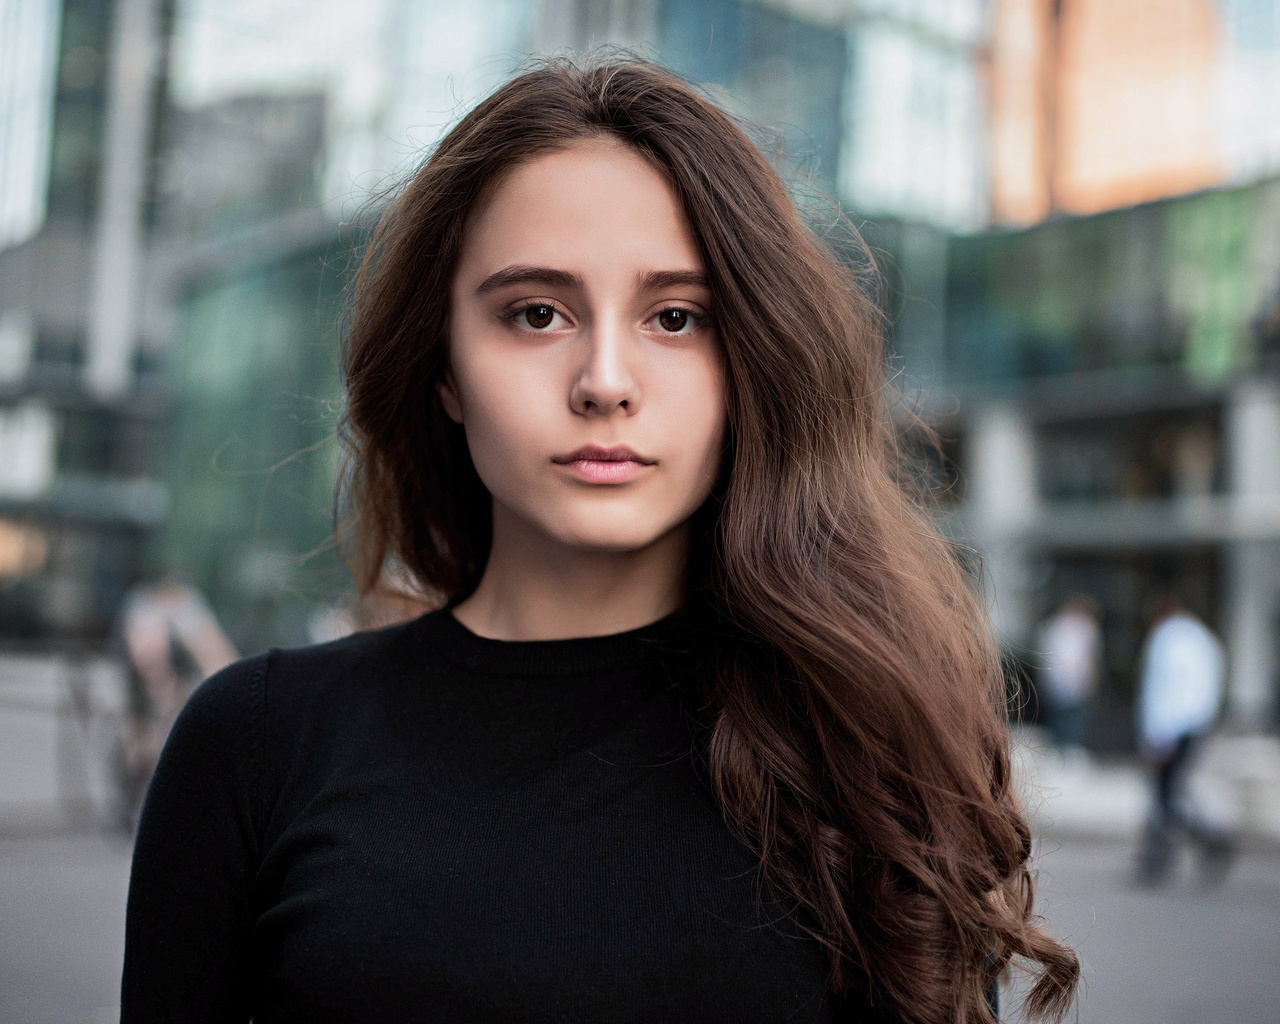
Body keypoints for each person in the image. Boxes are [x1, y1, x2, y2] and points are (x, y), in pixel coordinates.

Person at [120, 57, 1078, 1023]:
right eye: (536, 314)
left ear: (749, 359)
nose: (605, 381)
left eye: (675, 317)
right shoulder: (257, 743)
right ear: (443, 367)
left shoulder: (862, 745)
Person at [1134, 592, 1238, 885]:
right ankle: (1183, 847)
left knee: (1166, 793)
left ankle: (1186, 846)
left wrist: (1158, 735)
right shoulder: (1203, 638)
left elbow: (1163, 689)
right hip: (1196, 724)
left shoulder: (1165, 639)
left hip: (1171, 727)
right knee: (1172, 791)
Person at [1033, 596, 1103, 774]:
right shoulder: (1082, 628)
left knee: (1066, 721)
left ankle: (1064, 757)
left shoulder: (1054, 626)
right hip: (1070, 685)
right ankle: (1066, 758)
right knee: (1069, 722)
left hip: (1062, 685)